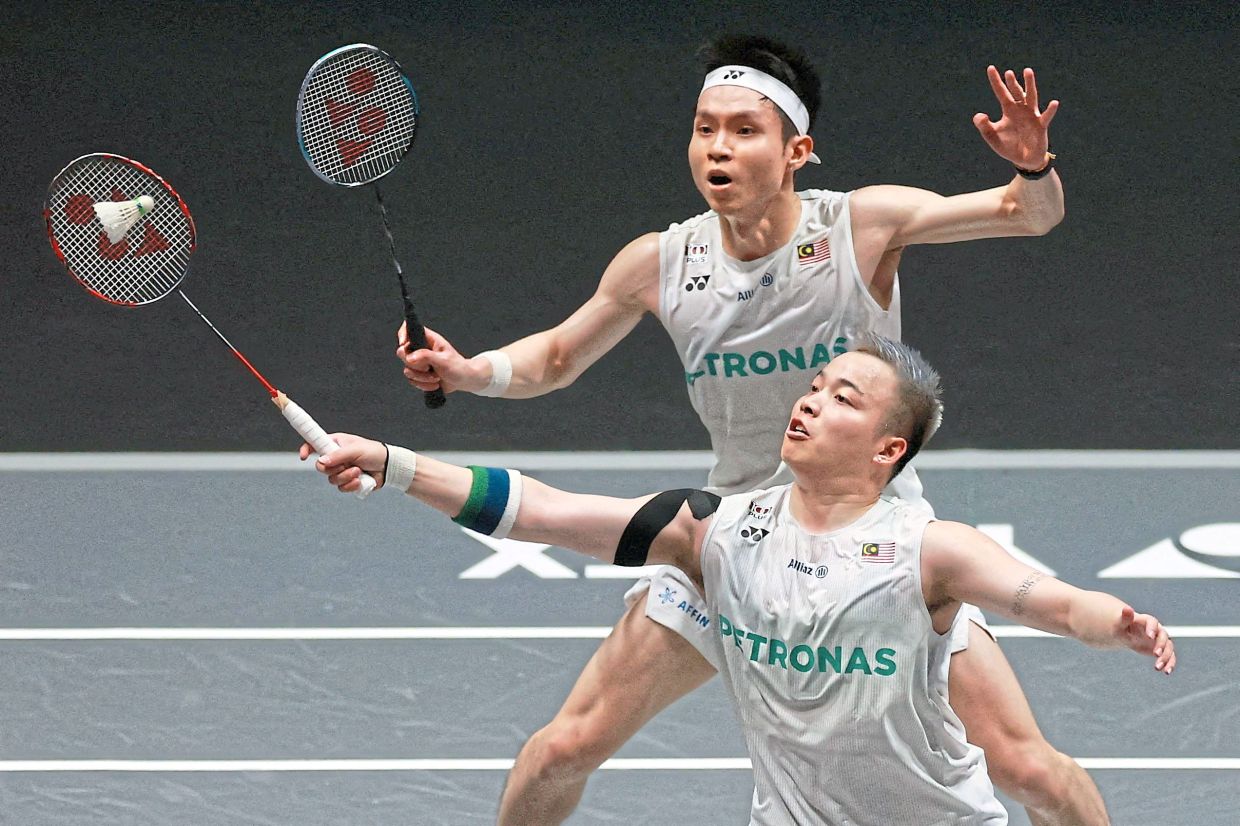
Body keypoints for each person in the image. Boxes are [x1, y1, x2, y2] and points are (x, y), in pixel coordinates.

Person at [396, 35, 1100, 824]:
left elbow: (1025, 215)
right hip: (730, 544)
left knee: (1027, 768)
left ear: (797, 150)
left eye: (743, 129)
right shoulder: (660, 262)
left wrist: (1032, 168)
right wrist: (472, 370)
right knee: (564, 747)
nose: (717, 148)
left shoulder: (861, 228)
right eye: (704, 128)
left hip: (875, 546)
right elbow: (557, 357)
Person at [304, 334, 1176, 825]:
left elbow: (1045, 600)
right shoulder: (713, 530)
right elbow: (542, 511)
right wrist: (392, 462)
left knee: (1030, 766)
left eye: (844, 399)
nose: (811, 401)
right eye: (817, 386)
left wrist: (1116, 623)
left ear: (888, 450)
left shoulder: (929, 550)